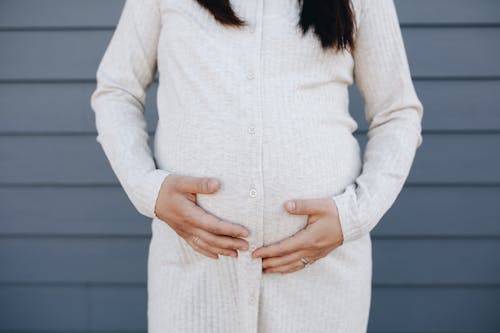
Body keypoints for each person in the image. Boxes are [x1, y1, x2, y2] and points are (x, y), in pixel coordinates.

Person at [90, 0, 424, 332]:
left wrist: (354, 216)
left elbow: (396, 112)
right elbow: (118, 91)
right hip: (195, 283)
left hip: (322, 288)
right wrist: (148, 189)